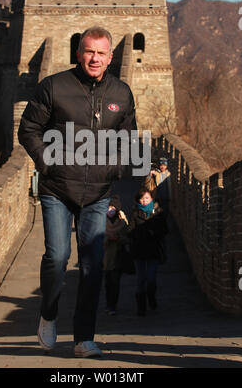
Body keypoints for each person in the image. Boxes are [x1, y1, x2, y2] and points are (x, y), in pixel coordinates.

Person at [18, 26, 137, 358]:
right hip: (58, 187)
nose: (94, 58)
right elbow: (28, 128)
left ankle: (84, 338)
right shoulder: (54, 87)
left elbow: (129, 138)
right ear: (78, 53)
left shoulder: (122, 93)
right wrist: (47, 163)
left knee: (92, 265)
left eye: (101, 53)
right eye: (88, 51)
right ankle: (49, 314)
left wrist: (115, 169)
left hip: (98, 191)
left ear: (111, 57)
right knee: (57, 257)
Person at [127, 187, 168, 315]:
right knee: (140, 280)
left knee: (151, 279)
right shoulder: (135, 213)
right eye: (142, 199)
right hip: (139, 250)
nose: (144, 201)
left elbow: (165, 230)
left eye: (146, 198)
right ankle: (141, 308)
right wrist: (138, 234)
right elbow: (129, 231)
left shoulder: (158, 213)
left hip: (153, 250)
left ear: (151, 199)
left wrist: (154, 233)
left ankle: (151, 296)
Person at [103, 195, 132, 316]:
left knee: (115, 282)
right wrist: (107, 238)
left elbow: (128, 238)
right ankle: (109, 304)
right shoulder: (101, 222)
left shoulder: (122, 223)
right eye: (109, 207)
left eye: (113, 207)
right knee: (107, 283)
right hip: (104, 259)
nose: (110, 210)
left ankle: (112, 305)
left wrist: (118, 238)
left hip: (118, 258)